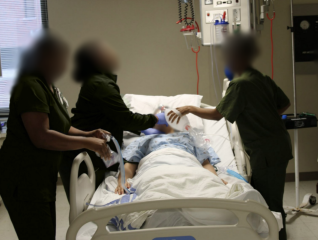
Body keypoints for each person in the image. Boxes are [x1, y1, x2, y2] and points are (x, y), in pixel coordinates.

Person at [168, 34, 292, 240]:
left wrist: (189, 108)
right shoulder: (261, 78)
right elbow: (284, 103)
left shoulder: (240, 85)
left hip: (266, 151)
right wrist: (264, 115)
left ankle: (278, 236)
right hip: (278, 144)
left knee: (271, 204)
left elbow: (217, 115)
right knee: (268, 195)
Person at [0, 32, 111, 240]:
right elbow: (41, 136)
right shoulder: (30, 86)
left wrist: (89, 133)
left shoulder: (49, 86)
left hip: (42, 176)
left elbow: (62, 126)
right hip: (23, 179)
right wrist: (88, 143)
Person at [60, 40, 167, 201]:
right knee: (87, 200)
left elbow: (117, 117)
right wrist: (155, 120)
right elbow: (125, 119)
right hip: (86, 151)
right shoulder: (100, 85)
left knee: (107, 179)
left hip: (98, 148)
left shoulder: (99, 81)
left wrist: (144, 128)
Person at [114, 124, 225, 195]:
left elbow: (205, 163)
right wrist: (122, 182)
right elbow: (130, 165)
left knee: (209, 187)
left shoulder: (191, 137)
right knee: (156, 187)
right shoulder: (145, 139)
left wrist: (215, 178)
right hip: (155, 166)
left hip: (188, 164)